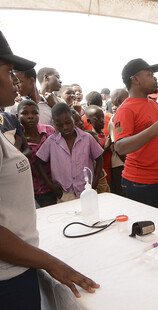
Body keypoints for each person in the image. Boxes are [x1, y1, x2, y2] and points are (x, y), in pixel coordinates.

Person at [0, 30, 99, 309]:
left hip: (18, 266)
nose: (14, 81)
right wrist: (53, 263)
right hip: (7, 279)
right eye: (9, 71)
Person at [114, 58, 158, 213]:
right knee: (147, 232)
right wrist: (153, 131)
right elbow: (120, 147)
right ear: (135, 79)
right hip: (141, 184)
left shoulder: (152, 103)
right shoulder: (126, 109)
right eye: (149, 74)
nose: (155, 78)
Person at [36, 103, 103, 202]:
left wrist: (95, 182)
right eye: (60, 125)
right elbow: (39, 162)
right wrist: (52, 187)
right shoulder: (51, 141)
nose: (65, 127)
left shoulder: (87, 138)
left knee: (90, 215)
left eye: (68, 122)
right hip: (64, 194)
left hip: (87, 191)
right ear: (54, 123)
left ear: (73, 119)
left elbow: (99, 158)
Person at [17, 99, 57, 207]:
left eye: (34, 113)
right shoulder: (18, 139)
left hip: (56, 186)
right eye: (25, 113)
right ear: (17, 116)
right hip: (34, 191)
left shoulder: (49, 131)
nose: (30, 116)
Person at [85, 105, 111, 193]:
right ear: (89, 121)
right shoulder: (91, 137)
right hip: (100, 176)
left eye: (102, 117)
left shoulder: (105, 134)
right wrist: (106, 148)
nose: (102, 121)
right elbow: (95, 159)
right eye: (97, 118)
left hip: (110, 172)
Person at [108, 88, 128, 195]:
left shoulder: (127, 114)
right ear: (118, 100)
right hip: (120, 164)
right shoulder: (115, 119)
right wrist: (129, 163)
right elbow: (117, 145)